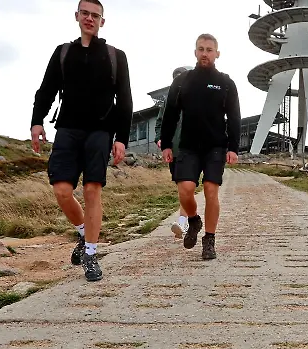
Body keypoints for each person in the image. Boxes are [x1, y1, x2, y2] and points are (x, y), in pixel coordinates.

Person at [30, 0, 132, 282]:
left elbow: (125, 100)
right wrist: (37, 121)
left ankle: (90, 253)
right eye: (85, 13)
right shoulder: (63, 53)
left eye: (95, 15)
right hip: (68, 129)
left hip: (100, 131)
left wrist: (121, 138)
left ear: (103, 21)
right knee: (62, 190)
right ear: (76, 16)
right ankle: (82, 231)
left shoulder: (115, 56)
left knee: (92, 190)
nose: (90, 18)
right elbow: (46, 90)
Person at [160, 34, 240, 261]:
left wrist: (233, 147)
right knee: (185, 189)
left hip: (216, 146)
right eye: (201, 49)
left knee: (210, 190)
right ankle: (194, 220)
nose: (205, 53)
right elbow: (171, 115)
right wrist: (166, 144)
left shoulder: (226, 83)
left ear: (217, 54)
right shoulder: (182, 81)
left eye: (209, 50)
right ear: (195, 52)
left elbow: (234, 117)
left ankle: (209, 240)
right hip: (188, 146)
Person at [155, 66, 193, 240]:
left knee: (186, 186)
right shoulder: (167, 102)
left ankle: (184, 222)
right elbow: (159, 124)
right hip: (174, 150)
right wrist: (160, 139)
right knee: (182, 187)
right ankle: (190, 220)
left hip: (191, 149)